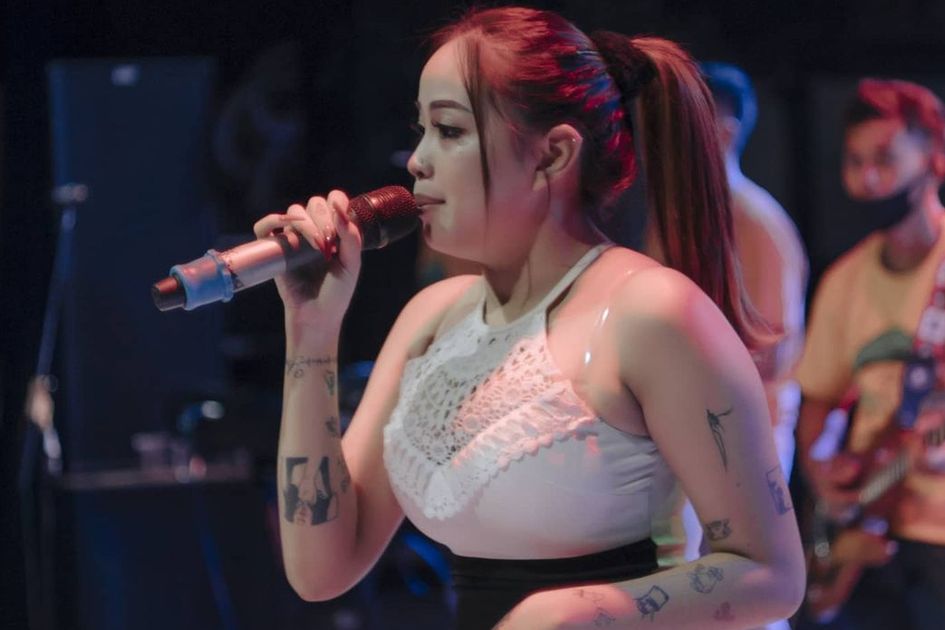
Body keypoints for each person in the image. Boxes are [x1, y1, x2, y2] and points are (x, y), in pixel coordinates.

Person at [254, 6, 804, 629]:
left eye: (450, 130)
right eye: (422, 130)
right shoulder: (430, 319)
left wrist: (577, 611)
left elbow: (772, 577)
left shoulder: (652, 312)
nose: (417, 160)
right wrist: (312, 331)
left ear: (554, 154)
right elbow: (319, 570)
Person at [795, 78, 945, 629]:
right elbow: (817, 402)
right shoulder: (844, 280)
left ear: (934, 158)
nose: (869, 180)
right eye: (855, 162)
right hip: (867, 530)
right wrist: (822, 475)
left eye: (884, 159)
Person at [669, 62, 810, 569]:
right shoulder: (685, 216)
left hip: (748, 441)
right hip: (696, 431)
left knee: (735, 583)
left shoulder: (756, 222)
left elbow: (773, 354)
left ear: (724, 133)